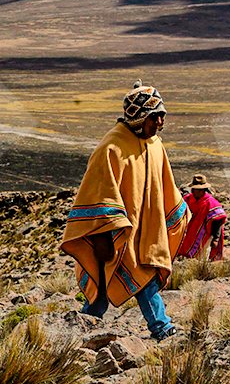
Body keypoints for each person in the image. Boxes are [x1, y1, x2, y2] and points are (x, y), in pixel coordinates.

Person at [61, 81, 189, 342]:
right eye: (155, 117)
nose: (161, 123)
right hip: (115, 233)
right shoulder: (111, 148)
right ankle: (160, 327)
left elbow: (164, 186)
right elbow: (97, 195)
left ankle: (87, 325)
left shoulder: (154, 145)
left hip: (147, 229)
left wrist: (179, 213)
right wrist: (101, 237)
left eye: (162, 116)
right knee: (120, 280)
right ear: (139, 117)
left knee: (138, 276)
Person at [177, 174, 227, 261]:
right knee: (184, 253)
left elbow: (218, 221)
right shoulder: (187, 199)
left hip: (205, 236)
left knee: (201, 258)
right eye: (195, 189)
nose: (196, 191)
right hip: (189, 233)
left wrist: (216, 238)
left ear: (203, 190)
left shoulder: (211, 203)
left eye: (199, 190)